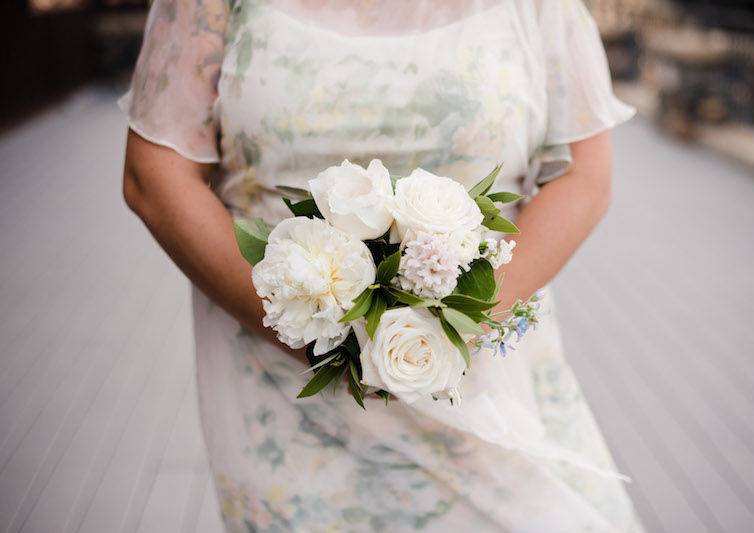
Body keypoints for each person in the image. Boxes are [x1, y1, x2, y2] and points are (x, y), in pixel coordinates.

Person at [121, 0, 642, 531]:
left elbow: (584, 176)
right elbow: (155, 175)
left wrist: (448, 330)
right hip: (288, 389)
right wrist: (325, 341)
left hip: (484, 387)